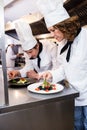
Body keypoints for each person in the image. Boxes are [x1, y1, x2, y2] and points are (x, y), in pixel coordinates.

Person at [37, 0, 87, 129]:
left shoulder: (86, 39)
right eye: (50, 31)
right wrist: (51, 74)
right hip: (73, 97)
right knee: (76, 127)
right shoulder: (62, 44)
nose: (52, 35)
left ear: (65, 25)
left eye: (54, 30)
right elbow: (64, 68)